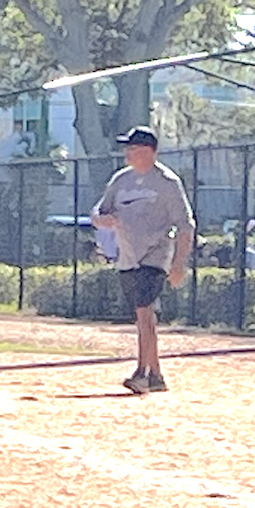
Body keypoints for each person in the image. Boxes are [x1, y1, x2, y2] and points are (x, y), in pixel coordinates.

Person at [91, 126, 195, 394]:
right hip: (127, 256)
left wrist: (178, 264)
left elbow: (186, 226)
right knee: (143, 316)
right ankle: (157, 375)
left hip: (155, 255)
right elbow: (99, 212)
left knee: (144, 311)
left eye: (133, 148)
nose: (128, 152)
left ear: (149, 151)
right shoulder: (121, 180)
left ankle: (142, 372)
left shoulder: (167, 183)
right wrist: (104, 220)